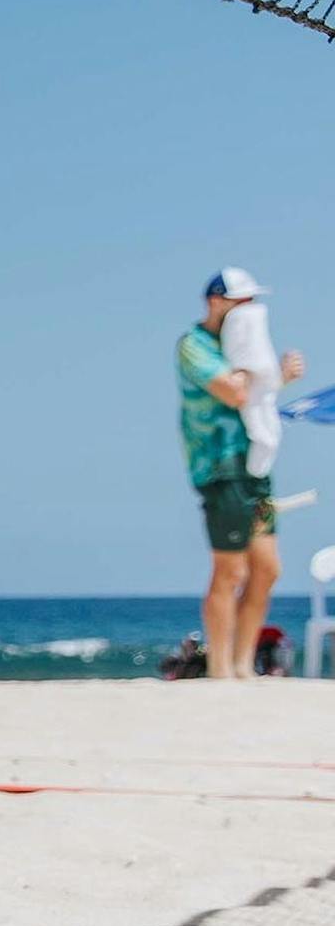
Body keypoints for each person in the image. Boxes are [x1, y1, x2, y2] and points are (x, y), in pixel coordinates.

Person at [181, 270, 304, 683]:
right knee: (230, 570)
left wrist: (279, 377)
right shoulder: (194, 346)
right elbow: (233, 393)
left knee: (267, 568)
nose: (250, 311)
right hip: (221, 467)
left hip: (255, 466)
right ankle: (219, 668)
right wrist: (262, 366)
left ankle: (242, 663)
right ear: (217, 302)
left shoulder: (238, 345)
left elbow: (253, 397)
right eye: (242, 302)